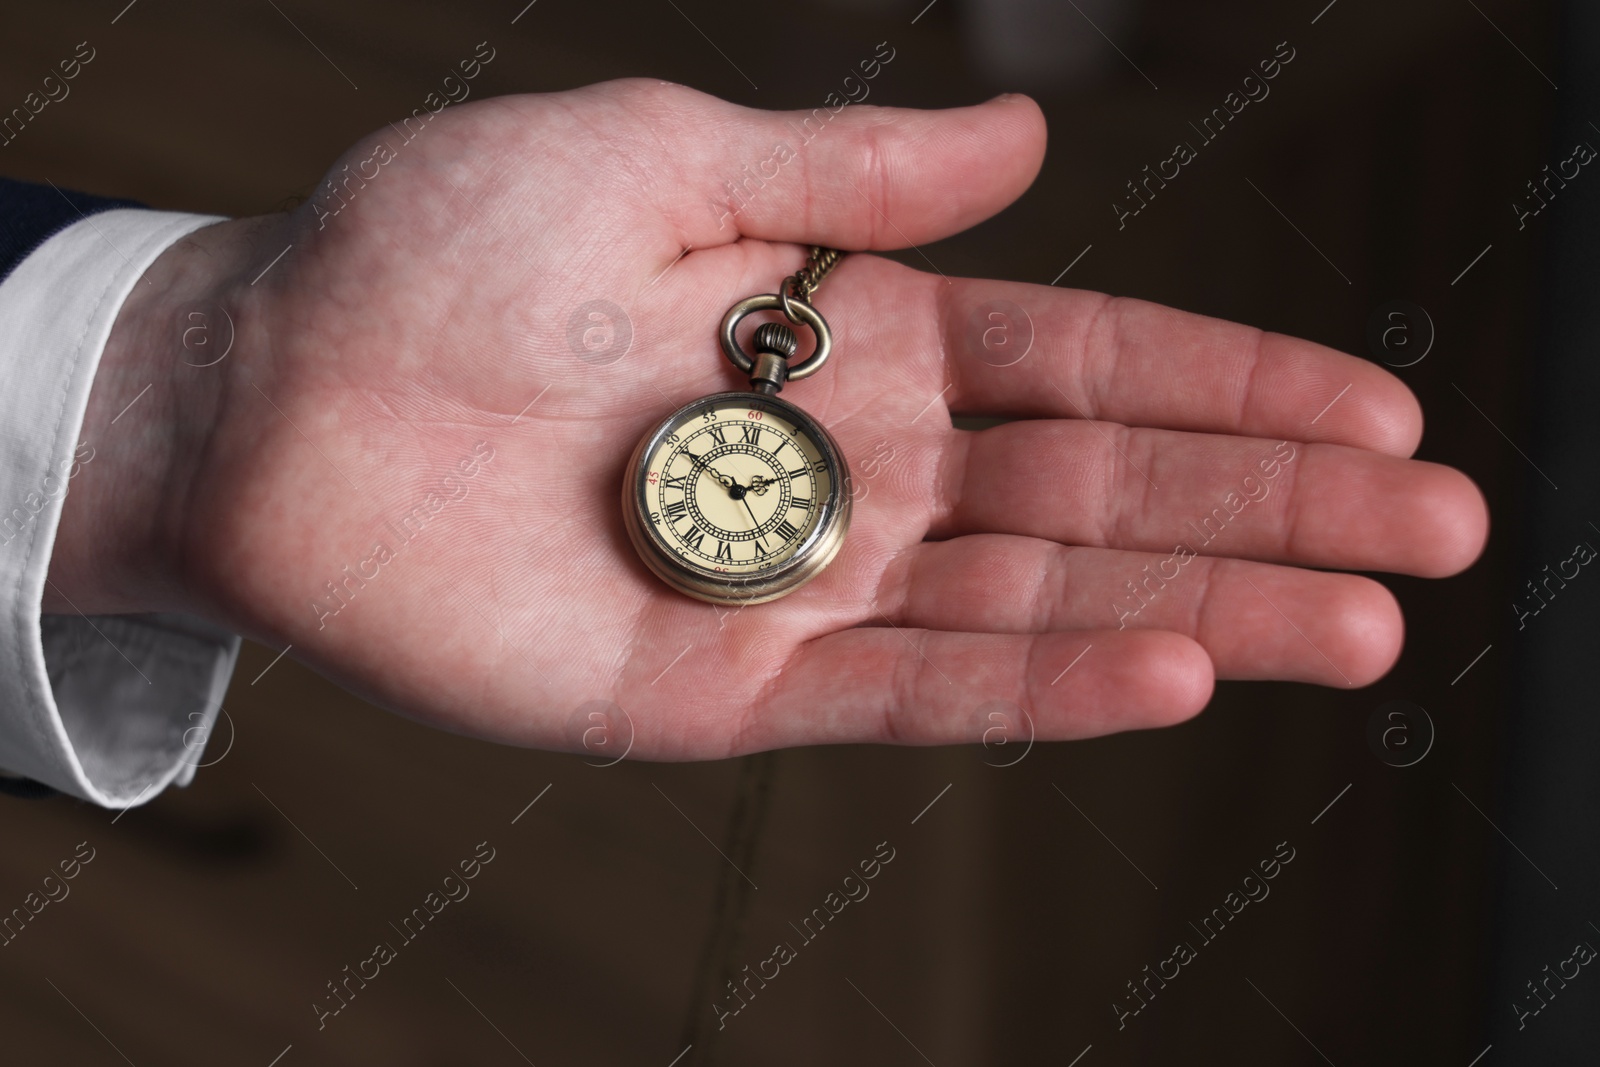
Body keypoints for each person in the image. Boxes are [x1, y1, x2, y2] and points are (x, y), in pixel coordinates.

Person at [0, 81, 1487, 807]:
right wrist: (203, 409)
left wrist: (180, 416)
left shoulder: (750, 436)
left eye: (734, 483)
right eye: (728, 482)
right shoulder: (734, 438)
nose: (724, 486)